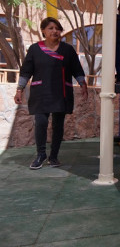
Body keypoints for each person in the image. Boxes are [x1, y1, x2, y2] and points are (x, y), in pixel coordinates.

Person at [14, 17, 88, 170]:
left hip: (61, 91)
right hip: (41, 92)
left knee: (58, 124)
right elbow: (26, 71)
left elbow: (77, 69)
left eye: (57, 28)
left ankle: (53, 156)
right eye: (51, 28)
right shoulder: (35, 49)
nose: (55, 31)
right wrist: (19, 89)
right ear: (43, 31)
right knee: (41, 122)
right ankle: (41, 155)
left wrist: (83, 84)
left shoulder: (67, 50)